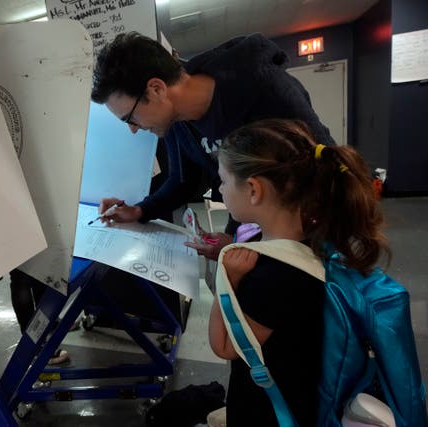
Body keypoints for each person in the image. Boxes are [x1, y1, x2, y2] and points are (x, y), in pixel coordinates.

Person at [208, 118, 388, 426]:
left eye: (223, 180)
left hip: (273, 410)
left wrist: (229, 276)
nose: (220, 190)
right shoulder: (315, 240)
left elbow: (224, 346)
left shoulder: (273, 278)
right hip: (303, 384)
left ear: (254, 189)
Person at [90, 32, 334, 259]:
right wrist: (139, 211)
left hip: (315, 238)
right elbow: (183, 181)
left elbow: (326, 167)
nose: (133, 129)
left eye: (130, 118)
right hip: (264, 238)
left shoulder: (263, 88)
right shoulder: (176, 121)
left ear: (156, 89)